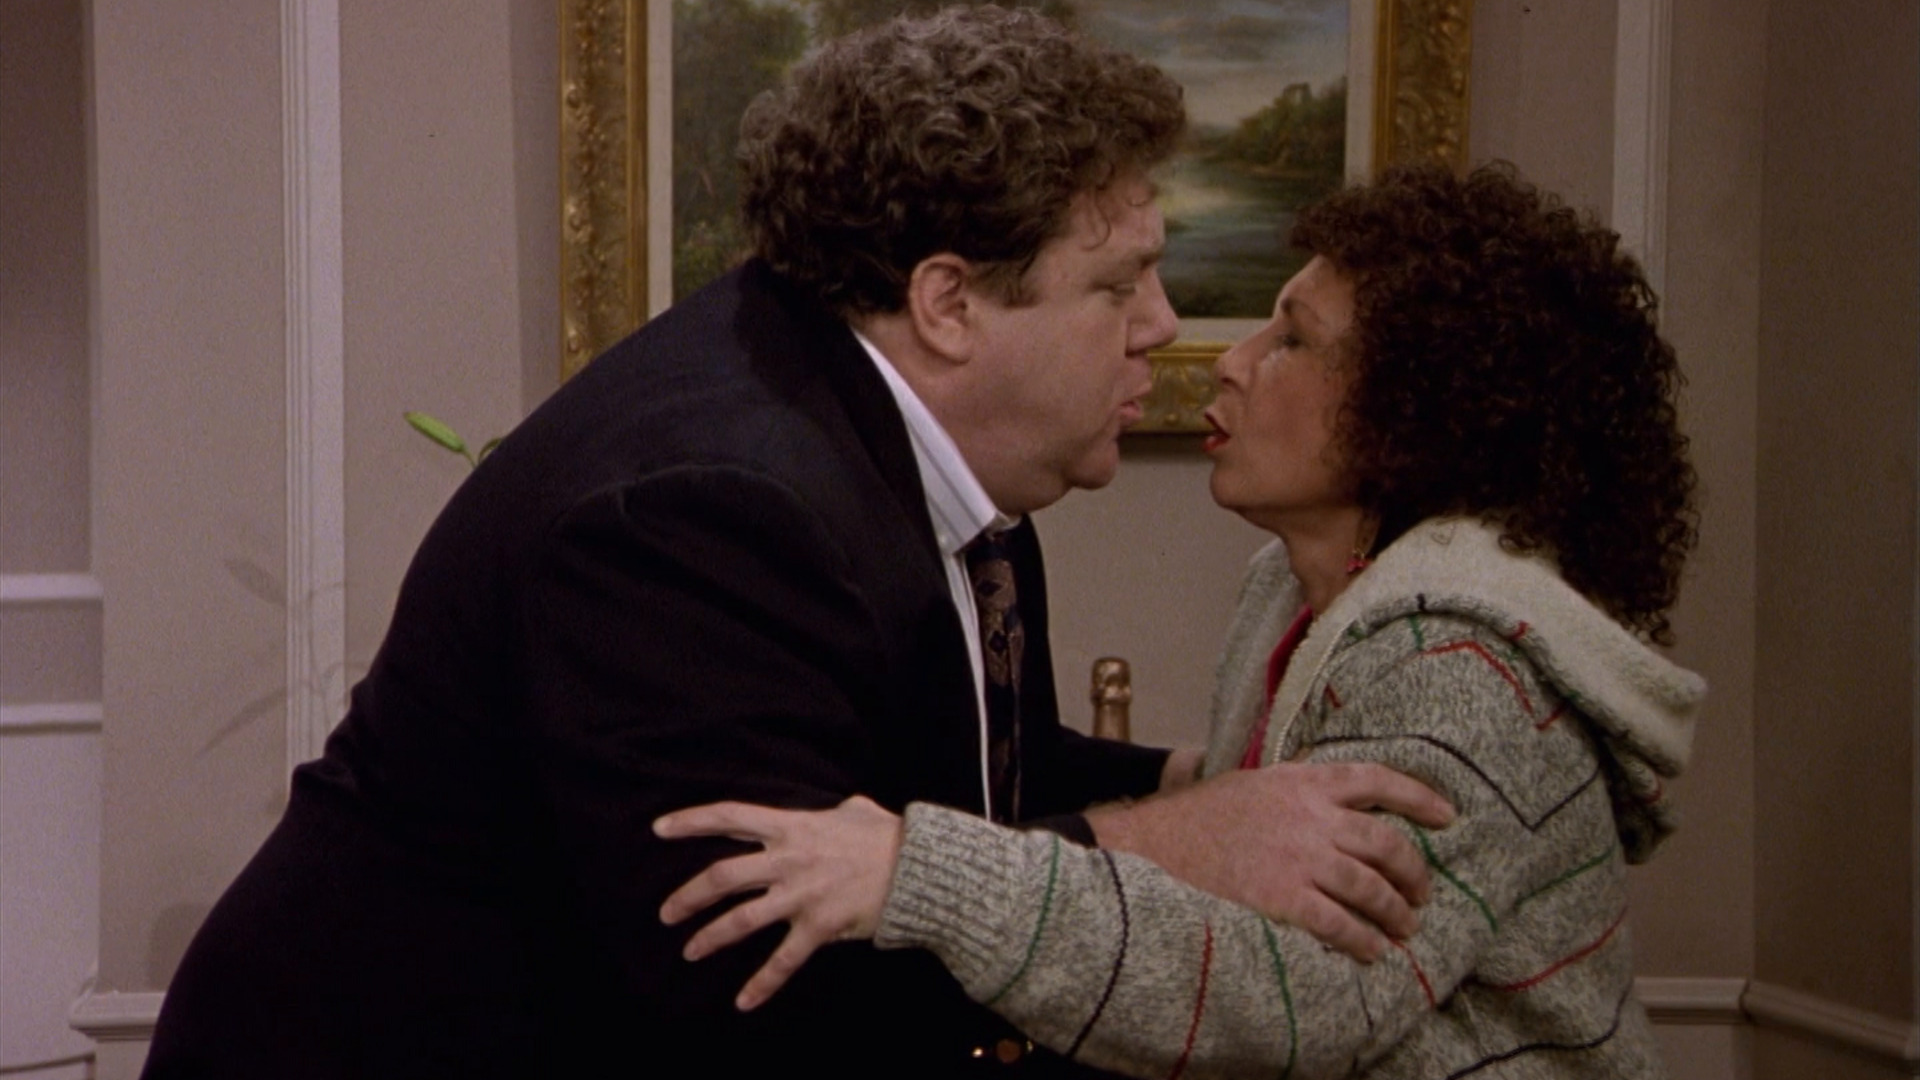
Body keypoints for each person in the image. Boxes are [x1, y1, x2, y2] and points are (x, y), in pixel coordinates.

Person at [140, 8, 1451, 1079]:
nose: (1163, 324)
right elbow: (763, 976)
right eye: (1117, 284)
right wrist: (1190, 841)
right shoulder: (704, 514)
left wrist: (1199, 777)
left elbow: (950, 781)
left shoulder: (939, 445)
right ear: (948, 303)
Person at [656, 162, 1706, 1078]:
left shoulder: (1461, 666)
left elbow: (1303, 994)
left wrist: (911, 874)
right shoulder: (1289, 593)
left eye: (1293, 339)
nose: (1232, 361)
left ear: (1421, 412)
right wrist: (1193, 793)